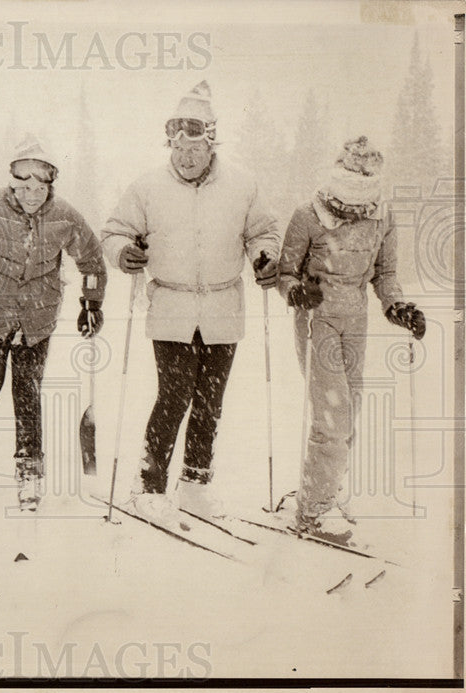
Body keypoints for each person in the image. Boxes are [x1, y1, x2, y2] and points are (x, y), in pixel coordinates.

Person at [102, 81, 280, 524]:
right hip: (172, 306)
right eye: (178, 147)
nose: (186, 156)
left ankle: (196, 484)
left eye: (195, 147)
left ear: (210, 142)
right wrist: (124, 251)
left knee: (210, 401)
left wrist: (265, 256)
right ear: (170, 144)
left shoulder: (242, 184)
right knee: (174, 396)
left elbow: (263, 231)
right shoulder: (147, 187)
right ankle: (149, 485)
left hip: (223, 306)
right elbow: (114, 230)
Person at [0, 134, 107, 510]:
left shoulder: (65, 216)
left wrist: (92, 303)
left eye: (42, 182)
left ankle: (29, 466)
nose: (33, 191)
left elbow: (92, 261)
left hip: (38, 318)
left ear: (51, 182)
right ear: (12, 180)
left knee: (27, 393)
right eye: (24, 182)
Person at [278, 136, 426, 544]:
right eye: (353, 169)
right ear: (339, 168)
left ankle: (326, 485)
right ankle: (315, 508)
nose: (360, 177)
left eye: (368, 172)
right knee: (333, 416)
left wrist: (396, 305)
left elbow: (386, 273)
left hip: (356, 319)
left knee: (349, 413)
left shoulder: (382, 216)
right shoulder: (308, 214)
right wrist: (295, 292)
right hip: (317, 317)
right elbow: (285, 271)